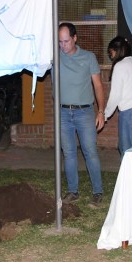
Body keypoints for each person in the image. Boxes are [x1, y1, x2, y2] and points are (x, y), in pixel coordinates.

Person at [58, 22, 105, 206]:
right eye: (60, 42)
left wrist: (100, 111)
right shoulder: (55, 56)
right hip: (62, 113)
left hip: (84, 112)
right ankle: (72, 191)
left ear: (75, 38)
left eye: (67, 41)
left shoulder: (88, 57)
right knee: (68, 153)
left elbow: (98, 85)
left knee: (90, 152)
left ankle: (97, 191)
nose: (63, 46)